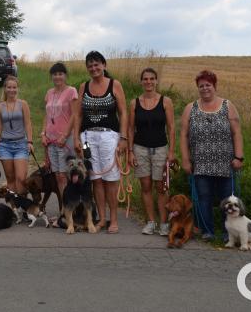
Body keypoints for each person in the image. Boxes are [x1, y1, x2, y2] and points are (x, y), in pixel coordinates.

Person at [180, 70, 244, 242]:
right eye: (201, 86)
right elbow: (184, 135)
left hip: (225, 164)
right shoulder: (190, 108)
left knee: (228, 200)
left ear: (214, 86)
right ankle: (207, 231)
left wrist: (239, 157)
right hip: (200, 164)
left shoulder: (227, 106)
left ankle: (228, 233)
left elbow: (237, 133)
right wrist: (185, 160)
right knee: (203, 199)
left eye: (208, 85)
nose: (205, 88)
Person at [73, 51, 128, 234]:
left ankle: (113, 219)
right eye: (90, 65)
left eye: (97, 64)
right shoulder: (84, 86)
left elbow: (123, 113)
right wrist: (76, 138)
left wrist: (123, 138)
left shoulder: (115, 85)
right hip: (88, 137)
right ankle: (102, 218)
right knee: (95, 177)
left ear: (104, 65)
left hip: (108, 136)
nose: (94, 68)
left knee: (110, 178)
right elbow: (78, 115)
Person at [127, 68, 176, 236]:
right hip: (140, 148)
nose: (148, 82)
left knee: (161, 187)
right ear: (141, 82)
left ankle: (164, 223)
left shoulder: (165, 101)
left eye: (152, 79)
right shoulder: (134, 103)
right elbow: (130, 128)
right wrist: (130, 152)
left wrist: (171, 151)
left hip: (161, 149)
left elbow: (171, 128)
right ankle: (150, 222)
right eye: (145, 79)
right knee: (146, 186)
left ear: (156, 81)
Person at [40, 62, 78, 204]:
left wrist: (65, 135)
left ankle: (71, 209)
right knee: (57, 175)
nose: (57, 77)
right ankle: (64, 210)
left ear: (65, 75)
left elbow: (75, 115)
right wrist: (43, 134)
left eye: (60, 74)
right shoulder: (49, 93)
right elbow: (47, 115)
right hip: (50, 140)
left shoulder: (71, 91)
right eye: (55, 74)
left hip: (65, 140)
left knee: (65, 175)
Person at [0, 76, 34, 194]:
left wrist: (30, 142)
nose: (12, 90)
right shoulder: (0, 106)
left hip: (21, 144)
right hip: (5, 146)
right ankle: (13, 209)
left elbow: (28, 124)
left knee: (21, 179)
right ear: (5, 89)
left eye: (14, 87)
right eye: (9, 87)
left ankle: (22, 205)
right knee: (10, 179)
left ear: (17, 89)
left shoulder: (23, 104)